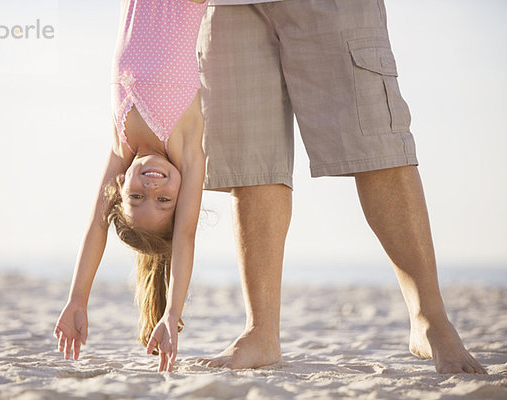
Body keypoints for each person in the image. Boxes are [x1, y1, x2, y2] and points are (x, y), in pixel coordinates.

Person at [197, 0, 486, 374]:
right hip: (222, 7)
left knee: (377, 143)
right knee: (250, 164)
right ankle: (260, 331)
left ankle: (430, 319)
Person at [54, 0, 208, 373]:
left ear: (120, 187)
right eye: (164, 201)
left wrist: (78, 298)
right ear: (181, 195)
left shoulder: (120, 148)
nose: (151, 186)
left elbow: (96, 226)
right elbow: (184, 238)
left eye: (137, 197)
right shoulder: (187, 150)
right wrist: (172, 313)